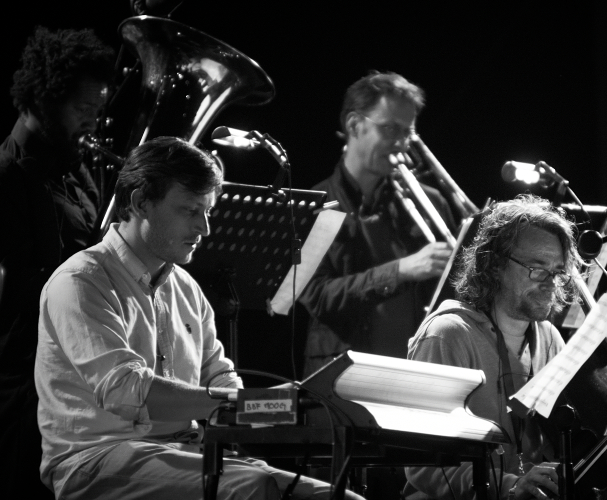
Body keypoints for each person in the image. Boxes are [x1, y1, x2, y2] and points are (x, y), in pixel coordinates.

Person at [34, 136, 363, 500]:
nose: (204, 228)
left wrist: (289, 406)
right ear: (141, 202)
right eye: (190, 211)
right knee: (255, 489)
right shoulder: (81, 281)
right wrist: (245, 403)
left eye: (207, 212)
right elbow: (127, 390)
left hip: (187, 452)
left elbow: (219, 378)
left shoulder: (186, 288)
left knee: (342, 497)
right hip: (94, 460)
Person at [405, 194, 585, 500]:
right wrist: (509, 486)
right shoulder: (447, 335)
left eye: (557, 271)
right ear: (495, 265)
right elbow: (423, 465)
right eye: (537, 268)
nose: (550, 283)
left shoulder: (550, 338)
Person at [0, 26, 114, 497]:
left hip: (72, 379)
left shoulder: (77, 173)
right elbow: (10, 294)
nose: (92, 122)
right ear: (45, 100)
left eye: (97, 111)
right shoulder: (8, 176)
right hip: (23, 392)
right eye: (83, 109)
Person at [299, 71, 455, 377]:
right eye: (390, 129)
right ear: (354, 125)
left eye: (407, 133)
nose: (401, 144)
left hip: (418, 371)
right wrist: (400, 271)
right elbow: (317, 296)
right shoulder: (319, 204)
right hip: (342, 378)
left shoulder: (431, 202)